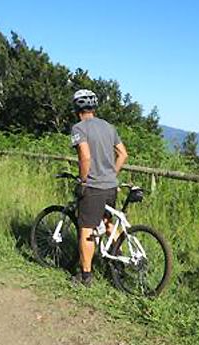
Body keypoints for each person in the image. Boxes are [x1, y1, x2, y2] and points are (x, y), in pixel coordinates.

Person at [70, 89, 128, 287]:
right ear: (94, 107)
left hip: (93, 187)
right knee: (108, 223)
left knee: (86, 229)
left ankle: (85, 275)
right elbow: (123, 154)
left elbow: (85, 157)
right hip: (111, 186)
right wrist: (112, 174)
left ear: (76, 107)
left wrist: (83, 181)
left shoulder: (79, 128)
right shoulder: (109, 127)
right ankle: (120, 260)